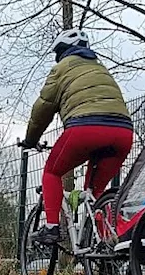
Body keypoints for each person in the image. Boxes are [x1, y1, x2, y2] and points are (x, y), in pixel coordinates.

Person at [21, 29, 134, 245]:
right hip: (123, 132)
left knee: (52, 172)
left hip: (86, 128)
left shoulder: (61, 68)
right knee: (96, 194)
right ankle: (107, 244)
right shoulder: (101, 68)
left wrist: (30, 139)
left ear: (62, 51)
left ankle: (52, 228)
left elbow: (42, 108)